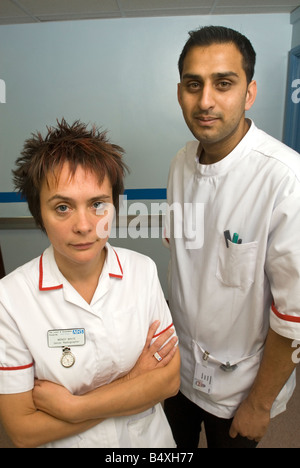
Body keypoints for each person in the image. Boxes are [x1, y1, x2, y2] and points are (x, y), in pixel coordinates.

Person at [0, 119, 180, 448]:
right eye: (63, 207)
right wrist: (135, 382)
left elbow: (168, 380)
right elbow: (23, 430)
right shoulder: (10, 298)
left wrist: (75, 406)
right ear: (38, 213)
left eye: (98, 204)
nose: (84, 226)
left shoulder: (142, 270)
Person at [163, 25, 300, 448]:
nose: (205, 101)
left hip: (241, 388)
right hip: (176, 371)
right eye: (193, 84)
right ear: (180, 91)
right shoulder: (180, 163)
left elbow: (293, 314)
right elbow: (187, 265)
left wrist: (260, 404)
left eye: (224, 83)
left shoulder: (285, 179)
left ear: (249, 92)